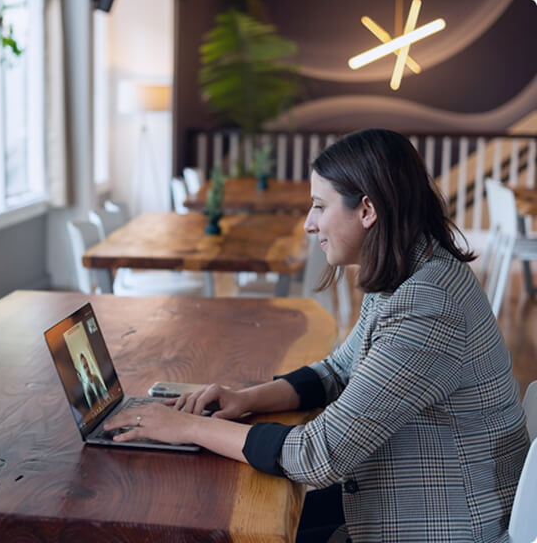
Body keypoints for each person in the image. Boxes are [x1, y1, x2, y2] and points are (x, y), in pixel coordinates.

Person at [104, 129, 530, 543]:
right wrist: (245, 398)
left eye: (319, 206)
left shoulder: (429, 304)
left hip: (445, 526)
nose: (309, 224)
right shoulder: (412, 272)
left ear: (367, 210)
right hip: (406, 499)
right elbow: (338, 371)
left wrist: (187, 429)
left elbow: (318, 455)